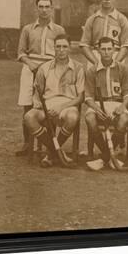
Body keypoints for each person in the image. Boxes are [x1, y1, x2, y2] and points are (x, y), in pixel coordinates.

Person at [23, 34, 85, 167]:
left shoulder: (78, 68)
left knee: (73, 117)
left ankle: (50, 153)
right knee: (28, 117)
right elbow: (37, 92)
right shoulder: (44, 68)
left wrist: (61, 107)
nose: (61, 50)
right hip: (47, 104)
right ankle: (57, 151)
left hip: (67, 105)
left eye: (64, 46)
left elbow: (80, 97)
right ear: (54, 48)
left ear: (70, 48)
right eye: (58, 47)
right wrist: (39, 104)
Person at [15, 0, 66, 156]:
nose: (44, 10)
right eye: (41, 6)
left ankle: (51, 142)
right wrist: (31, 65)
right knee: (28, 105)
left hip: (50, 70)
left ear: (51, 8)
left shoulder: (59, 30)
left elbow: (61, 53)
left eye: (47, 7)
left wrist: (48, 69)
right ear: (36, 8)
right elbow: (21, 53)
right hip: (30, 69)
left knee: (48, 105)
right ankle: (27, 143)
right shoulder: (28, 29)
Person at [85, 37, 128, 171]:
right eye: (103, 49)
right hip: (97, 104)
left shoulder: (122, 68)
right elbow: (88, 97)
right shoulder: (91, 71)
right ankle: (108, 155)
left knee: (124, 118)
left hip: (117, 103)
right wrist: (96, 109)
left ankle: (104, 158)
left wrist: (122, 107)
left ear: (114, 50)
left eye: (109, 49)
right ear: (98, 50)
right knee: (89, 118)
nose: (106, 52)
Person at [79, 0, 128, 66]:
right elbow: (84, 45)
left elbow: (126, 45)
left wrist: (115, 63)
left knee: (114, 79)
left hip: (116, 55)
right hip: (96, 56)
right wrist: (96, 62)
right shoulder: (91, 19)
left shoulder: (122, 19)